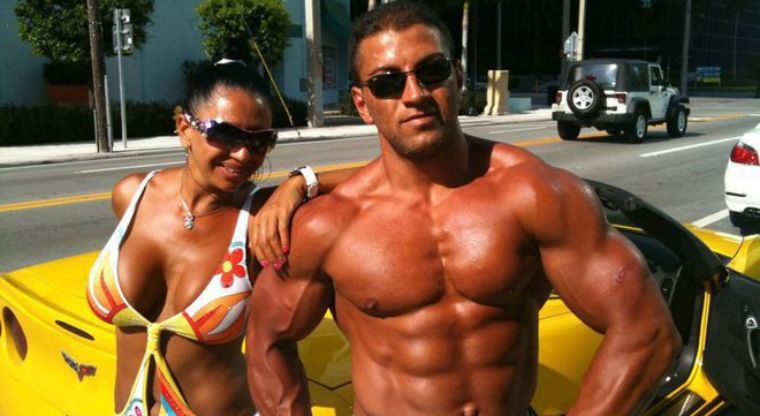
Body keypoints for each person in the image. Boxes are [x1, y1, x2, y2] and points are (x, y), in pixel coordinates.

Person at [246, 2, 682, 415]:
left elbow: (646, 331)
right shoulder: (327, 225)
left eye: (431, 71)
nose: (414, 94)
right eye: (387, 83)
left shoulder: (533, 194)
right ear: (363, 104)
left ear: (456, 76)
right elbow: (267, 341)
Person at [86, 60, 353, 416]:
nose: (244, 154)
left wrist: (299, 182)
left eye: (260, 140)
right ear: (184, 129)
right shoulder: (132, 195)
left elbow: (386, 178)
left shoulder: (258, 217)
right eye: (226, 134)